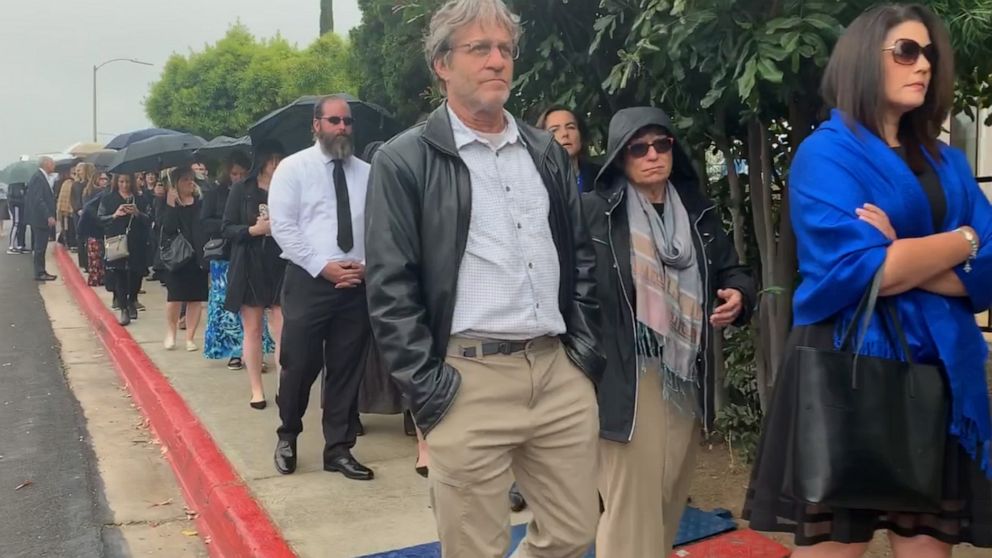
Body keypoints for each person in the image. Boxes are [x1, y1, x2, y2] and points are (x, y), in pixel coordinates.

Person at [744, 5, 992, 557]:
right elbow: (860, 270)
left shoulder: (947, 162)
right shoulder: (825, 155)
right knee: (835, 550)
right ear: (863, 59)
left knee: (927, 547)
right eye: (906, 51)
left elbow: (987, 267)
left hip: (938, 374)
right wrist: (962, 241)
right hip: (847, 368)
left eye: (929, 53)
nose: (923, 64)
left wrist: (904, 250)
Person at [365, 1, 604, 555]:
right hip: (466, 379)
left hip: (557, 372)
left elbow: (579, 256)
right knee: (475, 548)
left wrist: (583, 354)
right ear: (442, 64)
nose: (497, 61)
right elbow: (390, 286)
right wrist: (427, 387)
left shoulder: (544, 151)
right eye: (479, 49)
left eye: (505, 49)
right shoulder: (405, 160)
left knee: (573, 533)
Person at [582, 106, 755, 556]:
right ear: (621, 157)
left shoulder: (697, 213)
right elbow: (571, 290)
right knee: (629, 501)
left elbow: (733, 271)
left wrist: (738, 296)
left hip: (682, 373)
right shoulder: (595, 213)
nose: (653, 154)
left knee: (669, 491)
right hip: (624, 374)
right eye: (639, 148)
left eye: (662, 144)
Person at [269, 94, 374, 481]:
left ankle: (339, 448)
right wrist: (322, 267)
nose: (342, 128)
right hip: (308, 280)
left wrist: (364, 267)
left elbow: (378, 226)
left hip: (356, 283)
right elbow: (284, 227)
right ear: (316, 125)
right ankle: (288, 435)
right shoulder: (293, 169)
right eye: (334, 121)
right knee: (298, 366)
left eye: (347, 121)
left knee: (347, 369)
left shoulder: (367, 172)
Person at [223, 140, 286, 409]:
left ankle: (286, 386)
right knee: (253, 327)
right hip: (250, 262)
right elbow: (226, 228)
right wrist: (253, 230)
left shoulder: (288, 187)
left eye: (280, 159)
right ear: (262, 161)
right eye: (272, 159)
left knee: (284, 328)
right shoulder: (242, 189)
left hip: (281, 262)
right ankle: (256, 389)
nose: (276, 164)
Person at [202, 152, 254, 370]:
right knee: (227, 307)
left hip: (249, 253)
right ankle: (234, 351)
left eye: (242, 173)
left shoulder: (253, 192)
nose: (238, 177)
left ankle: (252, 350)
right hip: (224, 255)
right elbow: (205, 222)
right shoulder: (216, 193)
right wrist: (229, 226)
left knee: (252, 305)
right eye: (234, 173)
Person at [160, 165, 208, 351]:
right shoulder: (169, 202)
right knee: (174, 298)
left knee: (195, 299)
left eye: (191, 179)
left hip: (197, 255)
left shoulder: (200, 201)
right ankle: (171, 332)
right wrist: (171, 205)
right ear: (176, 183)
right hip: (178, 256)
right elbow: (167, 227)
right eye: (185, 179)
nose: (189, 182)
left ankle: (190, 337)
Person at [98, 173, 151, 326]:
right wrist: (115, 215)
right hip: (116, 239)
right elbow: (100, 218)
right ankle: (123, 309)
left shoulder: (140, 198)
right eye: (121, 181)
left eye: (127, 181)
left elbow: (149, 219)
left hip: (137, 240)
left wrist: (137, 213)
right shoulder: (108, 198)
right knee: (119, 273)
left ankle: (132, 300)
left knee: (136, 273)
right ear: (116, 182)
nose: (125, 185)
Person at [536, 105, 600, 193]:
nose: (565, 133)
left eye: (571, 127)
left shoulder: (602, 177)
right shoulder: (534, 183)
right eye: (554, 130)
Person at [24, 156, 57, 281]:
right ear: (46, 164)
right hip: (40, 219)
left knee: (41, 246)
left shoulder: (41, 177)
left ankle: (42, 270)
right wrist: (48, 215)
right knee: (40, 247)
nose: (54, 166)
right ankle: (39, 272)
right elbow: (39, 200)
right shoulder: (38, 178)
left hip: (39, 218)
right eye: (52, 163)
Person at [80, 172, 109, 287]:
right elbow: (89, 209)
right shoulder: (95, 193)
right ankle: (97, 277)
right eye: (102, 179)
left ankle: (98, 277)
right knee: (97, 255)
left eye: (106, 179)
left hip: (93, 228)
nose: (104, 181)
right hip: (95, 227)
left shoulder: (95, 192)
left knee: (97, 254)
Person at [7, 181, 28, 254]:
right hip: (16, 205)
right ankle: (11, 246)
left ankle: (20, 245)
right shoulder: (14, 184)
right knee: (16, 223)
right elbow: (15, 195)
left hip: (21, 205)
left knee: (22, 224)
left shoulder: (22, 184)